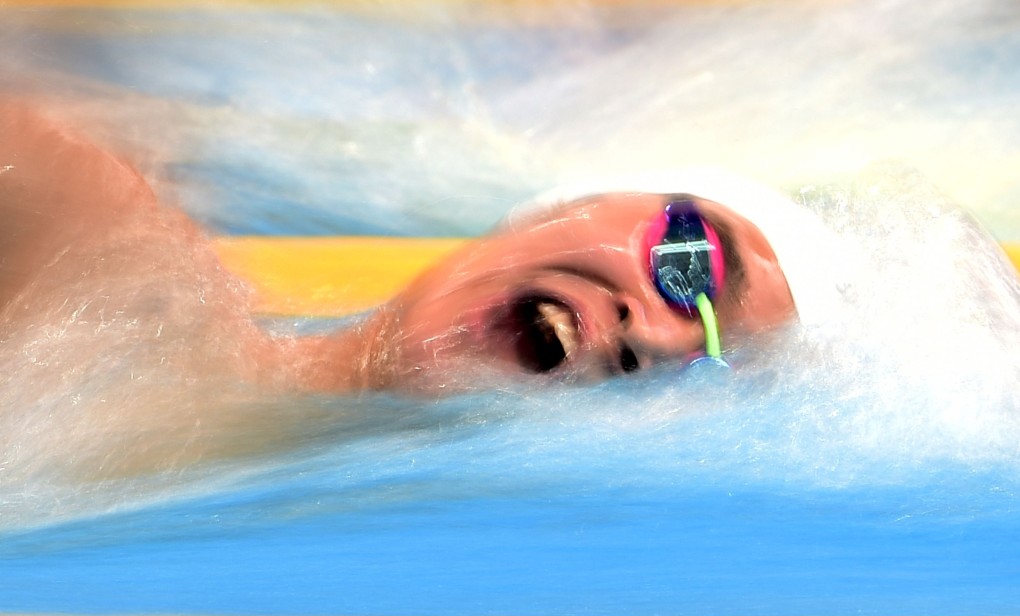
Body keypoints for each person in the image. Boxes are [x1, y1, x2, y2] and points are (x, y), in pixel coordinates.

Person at [1, 102, 840, 396]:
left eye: (711, 360)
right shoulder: (92, 244)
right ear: (576, 202)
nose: (657, 337)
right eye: (689, 267)